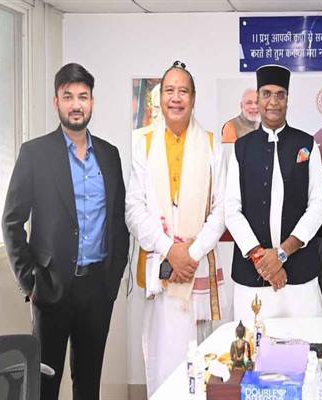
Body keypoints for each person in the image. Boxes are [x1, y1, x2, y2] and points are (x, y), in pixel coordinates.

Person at [1, 63, 129, 400]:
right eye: (68, 96)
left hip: (98, 289)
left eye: (83, 97)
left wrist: (113, 277)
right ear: (56, 102)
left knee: (88, 384)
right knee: (45, 384)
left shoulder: (109, 155)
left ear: (92, 102)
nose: (76, 104)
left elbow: (118, 221)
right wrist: (30, 281)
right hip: (50, 288)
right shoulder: (35, 153)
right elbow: (12, 221)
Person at [125, 61, 227, 396]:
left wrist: (190, 254)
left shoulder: (211, 144)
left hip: (196, 270)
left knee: (201, 363)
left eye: (183, 91)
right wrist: (171, 250)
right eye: (169, 90)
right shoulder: (143, 143)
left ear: (193, 98)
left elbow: (221, 209)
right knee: (163, 363)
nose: (176, 98)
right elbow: (134, 209)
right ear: (160, 98)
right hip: (161, 268)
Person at [225, 64, 322, 321]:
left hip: (300, 278)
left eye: (280, 95)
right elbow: (231, 210)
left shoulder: (306, 144)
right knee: (252, 344)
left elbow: (317, 207)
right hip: (252, 277)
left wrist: (281, 254)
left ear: (287, 100)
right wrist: (264, 261)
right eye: (267, 94)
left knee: (306, 343)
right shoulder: (241, 148)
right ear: (258, 99)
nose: (273, 101)